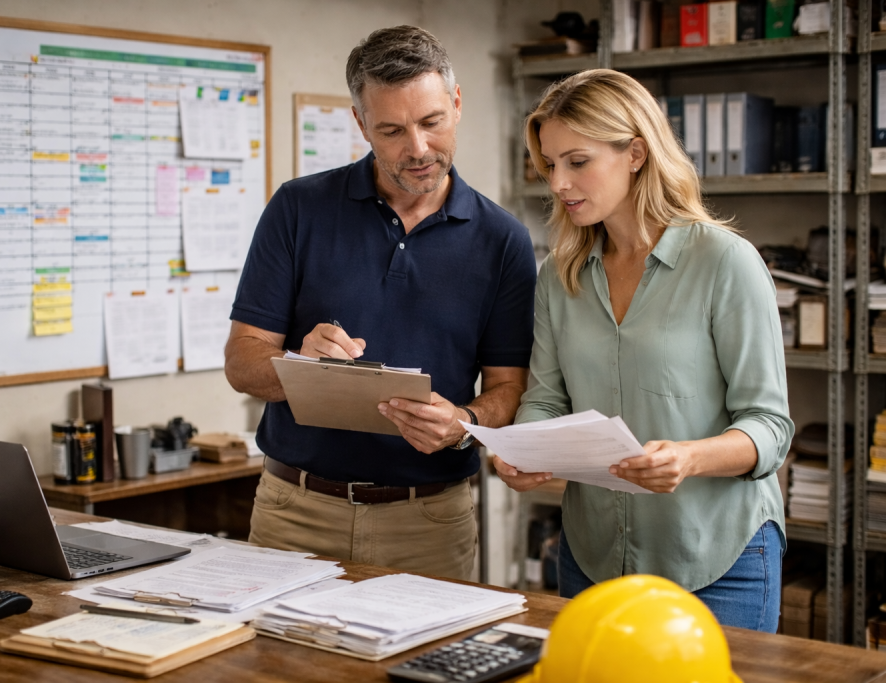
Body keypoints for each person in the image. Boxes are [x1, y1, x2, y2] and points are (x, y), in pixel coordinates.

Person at [224, 25, 536, 580]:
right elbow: (242, 362)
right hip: (294, 513)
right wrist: (300, 366)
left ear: (457, 104)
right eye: (391, 130)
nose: (417, 149)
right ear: (360, 123)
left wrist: (464, 421)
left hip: (430, 523)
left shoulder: (502, 239)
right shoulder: (298, 209)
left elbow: (509, 388)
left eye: (431, 123)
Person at [494, 69, 793, 632]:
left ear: (635, 153)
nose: (558, 182)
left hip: (718, 561)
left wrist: (687, 458)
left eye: (577, 161)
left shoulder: (726, 263)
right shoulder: (560, 278)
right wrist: (524, 449)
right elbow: (546, 397)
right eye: (550, 164)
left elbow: (770, 428)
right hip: (592, 557)